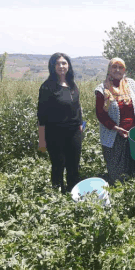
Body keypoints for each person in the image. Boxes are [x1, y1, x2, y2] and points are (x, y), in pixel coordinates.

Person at [95, 58, 135, 184]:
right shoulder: (102, 89)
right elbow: (100, 114)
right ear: (109, 69)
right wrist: (115, 128)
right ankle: (120, 197)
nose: (117, 70)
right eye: (114, 67)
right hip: (114, 135)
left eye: (120, 67)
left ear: (124, 70)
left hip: (134, 134)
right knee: (118, 172)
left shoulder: (132, 85)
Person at [37, 52, 83, 193]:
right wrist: (42, 141)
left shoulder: (72, 85)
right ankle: (57, 196)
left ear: (68, 65)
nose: (61, 66)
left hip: (74, 132)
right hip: (55, 134)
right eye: (58, 63)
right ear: (52, 66)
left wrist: (81, 125)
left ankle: (73, 194)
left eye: (64, 63)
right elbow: (41, 116)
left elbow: (77, 107)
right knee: (58, 165)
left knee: (74, 166)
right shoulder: (47, 87)